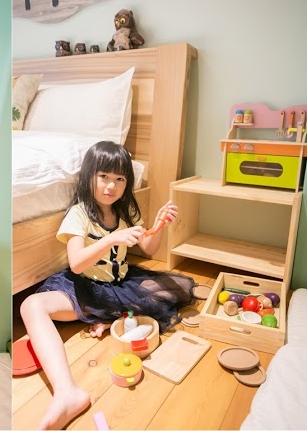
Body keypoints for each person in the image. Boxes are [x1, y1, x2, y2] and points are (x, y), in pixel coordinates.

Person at [20, 141, 195, 430]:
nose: (111, 186)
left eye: (120, 179)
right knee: (30, 305)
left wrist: (159, 225)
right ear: (89, 176)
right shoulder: (79, 214)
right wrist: (111, 239)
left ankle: (107, 317)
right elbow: (77, 264)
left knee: (169, 290)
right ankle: (67, 392)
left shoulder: (126, 211)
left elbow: (149, 248)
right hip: (83, 287)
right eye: (103, 176)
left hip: (121, 285)